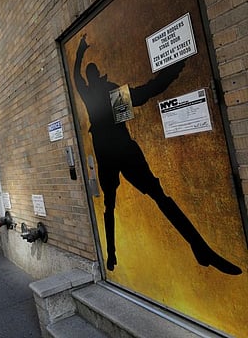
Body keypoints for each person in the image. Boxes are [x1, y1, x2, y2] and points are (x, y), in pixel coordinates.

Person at [74, 34, 241, 275]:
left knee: (115, 204)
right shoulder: (108, 92)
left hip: (112, 153)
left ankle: (113, 255)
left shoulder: (95, 94)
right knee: (147, 198)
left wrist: (80, 51)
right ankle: (112, 254)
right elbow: (147, 92)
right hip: (121, 150)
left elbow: (80, 78)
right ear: (98, 75)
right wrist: (172, 71)